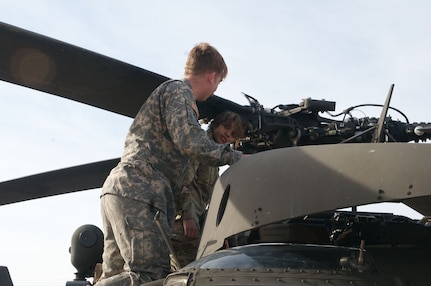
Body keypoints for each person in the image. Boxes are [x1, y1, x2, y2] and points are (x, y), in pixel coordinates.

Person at [97, 43, 243, 285]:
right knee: (150, 278)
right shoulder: (178, 92)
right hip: (141, 192)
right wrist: (236, 157)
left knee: (116, 277)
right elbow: (191, 143)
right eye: (218, 83)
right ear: (212, 76)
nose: (216, 89)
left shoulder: (172, 94)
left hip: (122, 190)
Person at [171, 111, 245, 269]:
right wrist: (187, 217)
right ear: (216, 124)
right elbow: (182, 182)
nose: (227, 134)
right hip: (183, 224)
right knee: (189, 273)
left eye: (233, 134)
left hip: (194, 223)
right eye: (226, 127)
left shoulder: (214, 158)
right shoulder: (201, 146)